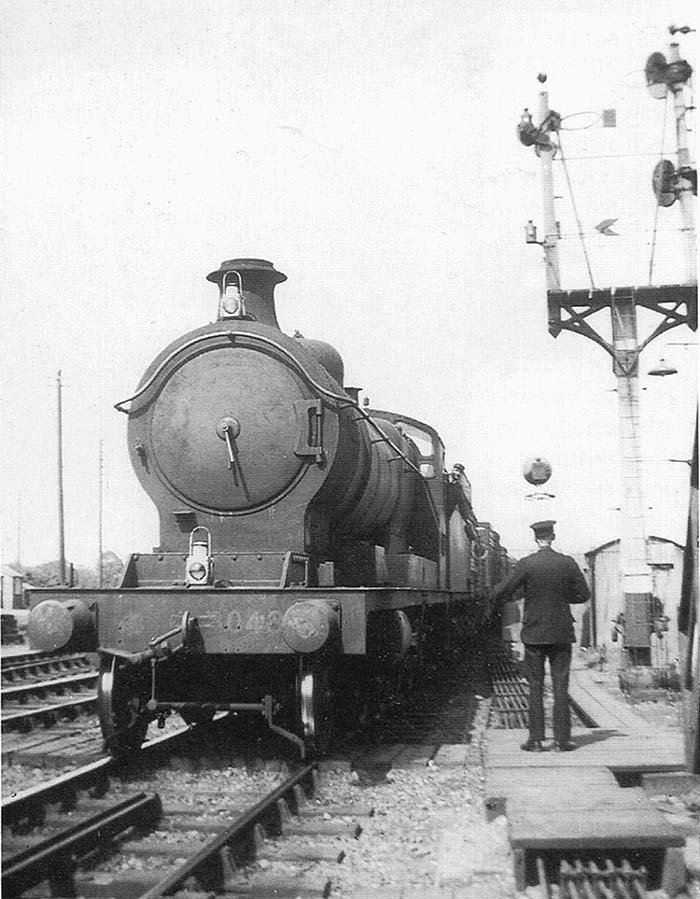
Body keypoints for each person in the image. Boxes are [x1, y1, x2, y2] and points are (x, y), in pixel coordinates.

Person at [488, 520, 590, 752]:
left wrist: (519, 596)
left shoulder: (527, 564)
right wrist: (563, 599)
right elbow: (583, 594)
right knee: (561, 685)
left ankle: (535, 740)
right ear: (552, 538)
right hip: (562, 633)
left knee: (535, 686)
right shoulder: (567, 563)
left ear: (536, 539)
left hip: (534, 633)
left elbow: (499, 591)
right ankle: (562, 741)